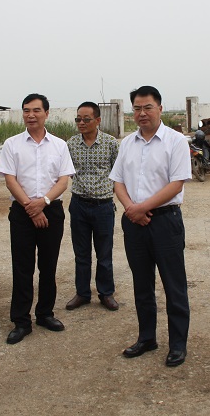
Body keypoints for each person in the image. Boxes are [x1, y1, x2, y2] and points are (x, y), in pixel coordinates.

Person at [110, 85, 192, 367]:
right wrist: (131, 209)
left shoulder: (176, 141)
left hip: (165, 221)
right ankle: (147, 338)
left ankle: (178, 344)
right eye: (137, 108)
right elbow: (118, 181)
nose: (142, 113)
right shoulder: (127, 144)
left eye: (147, 107)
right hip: (134, 222)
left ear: (159, 108)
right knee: (141, 284)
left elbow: (176, 183)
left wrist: (142, 207)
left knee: (174, 286)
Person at [0, 93, 75, 344]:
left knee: (48, 266)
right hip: (22, 211)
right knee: (22, 267)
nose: (31, 115)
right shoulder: (12, 144)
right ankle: (21, 321)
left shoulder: (59, 145)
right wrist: (31, 207)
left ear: (46, 114)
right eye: (26, 110)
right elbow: (10, 180)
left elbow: (63, 180)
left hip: (51, 210)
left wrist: (43, 203)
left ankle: (45, 314)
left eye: (36, 110)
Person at [65, 101, 120, 312]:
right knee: (81, 254)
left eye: (86, 119)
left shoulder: (111, 143)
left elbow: (118, 173)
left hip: (103, 206)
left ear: (97, 120)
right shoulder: (70, 145)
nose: (81, 123)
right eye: (78, 119)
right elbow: (68, 172)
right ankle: (82, 293)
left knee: (104, 254)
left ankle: (106, 293)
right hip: (79, 205)